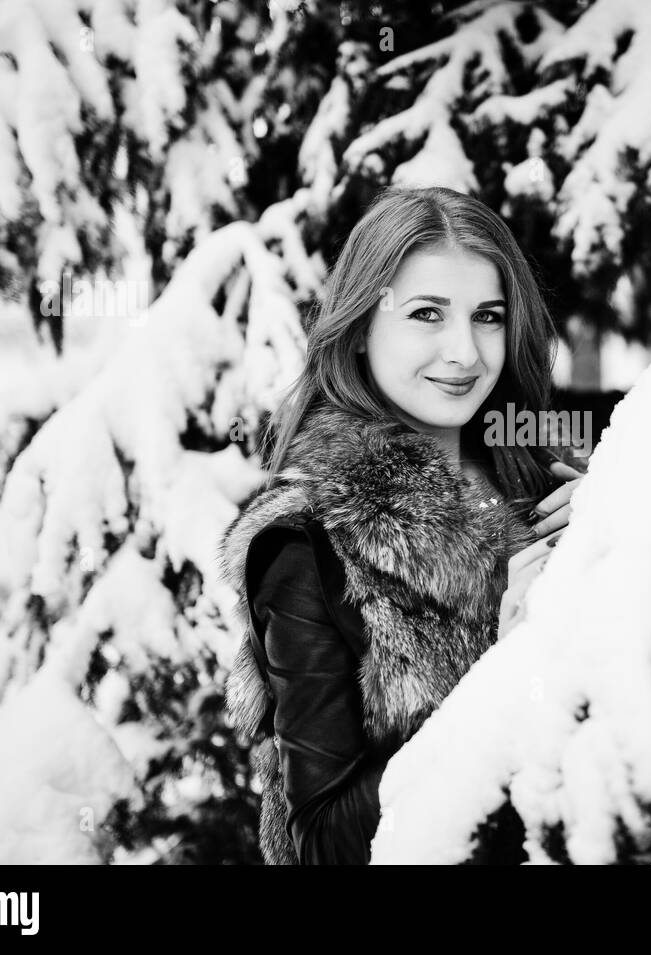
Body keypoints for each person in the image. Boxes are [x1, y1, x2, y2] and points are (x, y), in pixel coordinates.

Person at [217, 186, 586, 864]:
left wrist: (623, 534)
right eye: (426, 314)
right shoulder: (307, 545)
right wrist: (500, 675)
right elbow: (323, 841)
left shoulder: (560, 491)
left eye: (488, 316)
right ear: (360, 330)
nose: (464, 352)